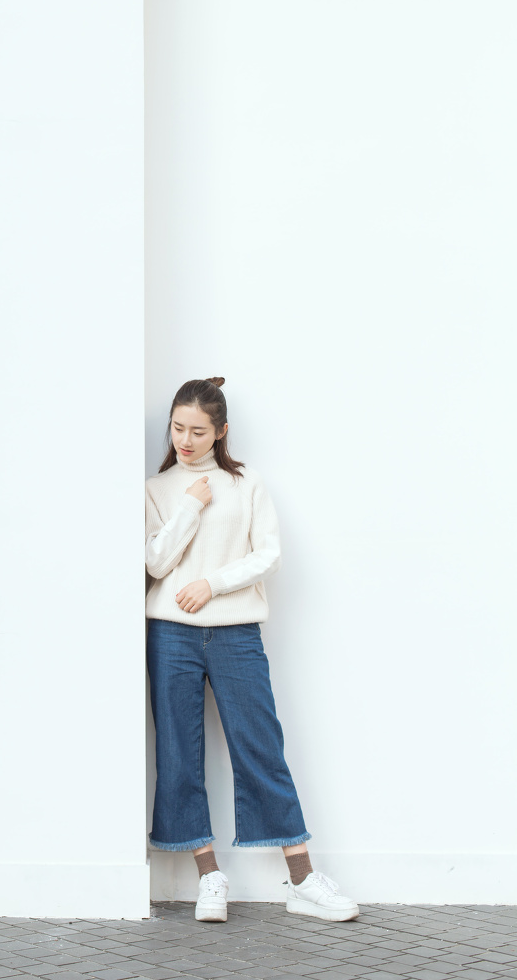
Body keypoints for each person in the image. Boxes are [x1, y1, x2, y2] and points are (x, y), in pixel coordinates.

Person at [145, 376, 358, 924]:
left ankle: (302, 879)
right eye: (178, 428)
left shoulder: (246, 484)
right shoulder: (158, 489)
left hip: (236, 632)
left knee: (260, 745)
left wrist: (211, 584)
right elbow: (155, 563)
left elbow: (269, 556)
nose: (185, 440)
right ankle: (208, 875)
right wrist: (189, 507)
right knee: (178, 753)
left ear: (221, 432)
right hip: (170, 634)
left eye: (198, 431)